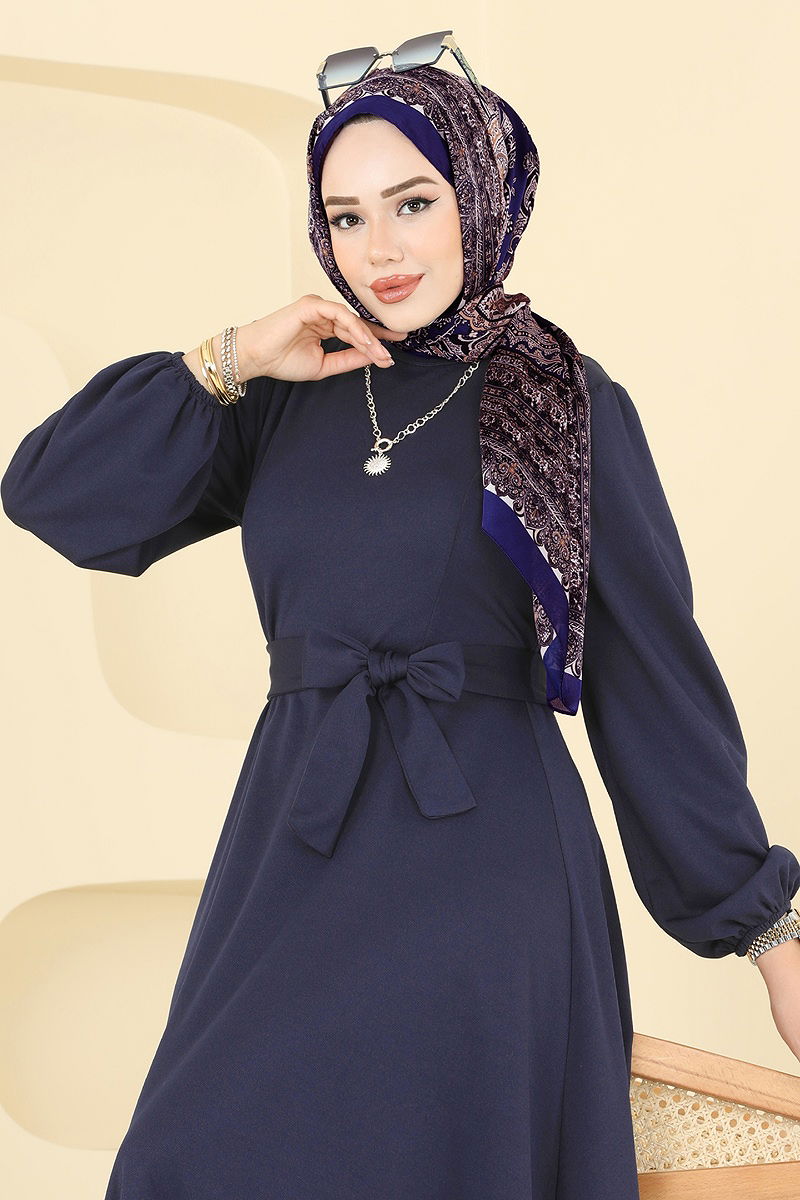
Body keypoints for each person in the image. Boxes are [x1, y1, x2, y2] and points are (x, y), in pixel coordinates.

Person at [2, 53, 800, 1200]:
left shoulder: (560, 401)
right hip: (296, 843)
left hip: (486, 868)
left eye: (412, 203)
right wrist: (234, 356)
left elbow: (647, 679)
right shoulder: (280, 395)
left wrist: (764, 933)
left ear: (475, 196)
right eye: (346, 215)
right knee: (194, 1156)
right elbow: (54, 494)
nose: (379, 248)